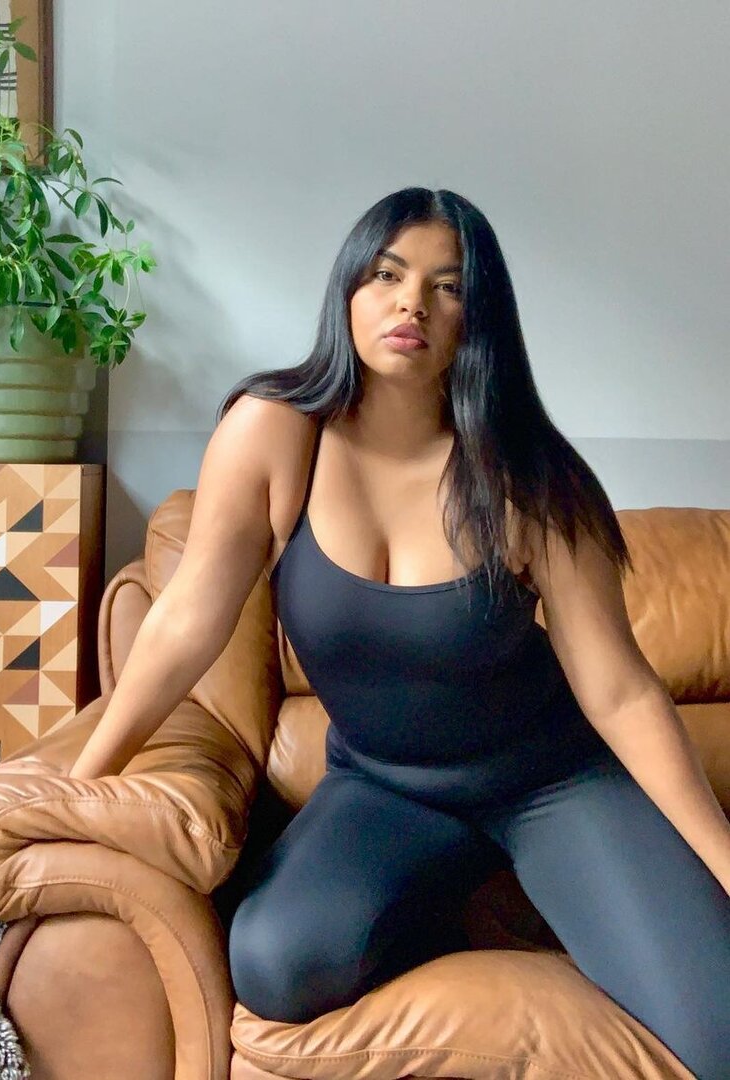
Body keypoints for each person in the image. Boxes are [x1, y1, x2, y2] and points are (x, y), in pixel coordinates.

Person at [67, 187, 730, 1079]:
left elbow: (621, 692)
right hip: (384, 787)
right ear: (349, 290)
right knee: (274, 965)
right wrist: (84, 779)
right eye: (387, 275)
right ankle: (452, 896)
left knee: (720, 1028)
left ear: (475, 322)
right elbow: (186, 620)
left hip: (551, 781)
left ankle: (530, 883)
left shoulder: (531, 477)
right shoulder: (276, 432)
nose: (412, 302)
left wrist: (724, 861)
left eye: (447, 287)